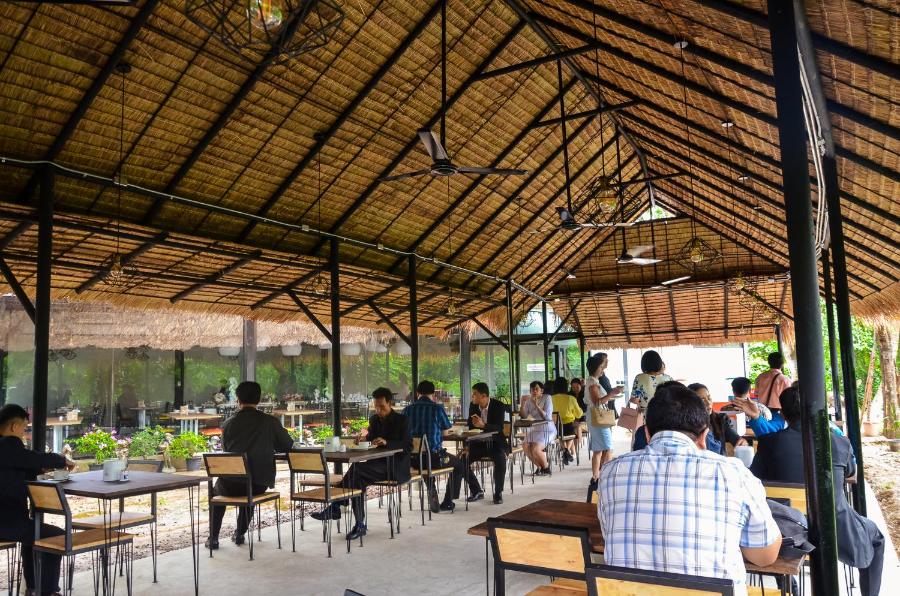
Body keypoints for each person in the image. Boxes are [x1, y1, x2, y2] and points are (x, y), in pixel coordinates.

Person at [599, 384, 781, 596]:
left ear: (647, 434)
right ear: (704, 437)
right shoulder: (734, 474)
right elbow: (765, 556)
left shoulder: (610, 472)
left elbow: (607, 532)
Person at [750, 387, 883, 596]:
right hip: (836, 529)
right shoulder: (838, 442)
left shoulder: (768, 444)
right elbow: (851, 471)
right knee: (876, 538)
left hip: (786, 534)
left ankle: (786, 584)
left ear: (783, 414)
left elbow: (755, 482)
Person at [312, 388, 410, 539]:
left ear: (390, 403)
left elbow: (408, 446)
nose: (378, 410)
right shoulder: (374, 419)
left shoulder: (402, 420)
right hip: (375, 465)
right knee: (357, 480)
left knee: (357, 470)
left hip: (395, 466)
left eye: (382, 407)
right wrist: (363, 439)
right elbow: (371, 437)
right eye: (376, 407)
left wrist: (387, 442)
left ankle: (337, 506)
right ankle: (359, 524)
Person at [208, 381, 294, 550]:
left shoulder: (228, 424)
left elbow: (227, 451)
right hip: (258, 483)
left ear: (238, 400)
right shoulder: (270, 422)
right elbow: (287, 445)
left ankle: (214, 538)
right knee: (250, 489)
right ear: (259, 399)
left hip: (230, 484)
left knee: (217, 491)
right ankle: (240, 533)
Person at [0, 404, 75, 596]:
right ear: (14, 426)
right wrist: (61, 460)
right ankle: (46, 591)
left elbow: (16, 467)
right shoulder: (9, 444)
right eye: (24, 428)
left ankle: (34, 589)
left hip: (8, 521)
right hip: (7, 524)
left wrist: (38, 468)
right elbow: (31, 457)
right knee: (55, 536)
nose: (24, 433)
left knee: (33, 533)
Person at [401, 380, 462, 512]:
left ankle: (431, 488)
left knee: (423, 461)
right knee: (458, 464)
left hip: (411, 460)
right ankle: (448, 501)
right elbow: (445, 432)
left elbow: (401, 433)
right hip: (435, 459)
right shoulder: (437, 409)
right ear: (433, 393)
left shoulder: (407, 410)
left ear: (417, 393)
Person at [453, 383, 508, 505]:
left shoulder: (498, 406)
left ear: (483, 396)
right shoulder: (473, 405)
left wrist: (484, 425)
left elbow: (499, 427)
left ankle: (498, 492)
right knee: (462, 461)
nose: (472, 396)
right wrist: (466, 446)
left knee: (500, 460)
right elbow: (470, 425)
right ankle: (476, 490)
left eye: (474, 394)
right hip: (477, 443)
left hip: (495, 443)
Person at [585, 353, 623, 500]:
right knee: (608, 448)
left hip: (594, 416)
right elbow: (597, 402)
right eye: (601, 367)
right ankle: (605, 475)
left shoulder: (593, 380)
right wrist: (612, 393)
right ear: (596, 368)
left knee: (598, 449)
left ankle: (596, 477)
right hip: (598, 416)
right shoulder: (593, 382)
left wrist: (611, 394)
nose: (603, 369)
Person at [688, 383, 747, 455]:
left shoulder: (720, 419)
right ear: (691, 404)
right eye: (702, 400)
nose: (708, 403)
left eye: (709, 398)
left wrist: (741, 441)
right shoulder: (687, 427)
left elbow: (734, 437)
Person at [518, 381, 556, 476]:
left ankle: (546, 468)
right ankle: (539, 467)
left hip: (548, 428)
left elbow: (547, 417)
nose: (534, 391)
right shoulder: (529, 401)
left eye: (536, 389)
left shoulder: (547, 398)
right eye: (532, 390)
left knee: (535, 448)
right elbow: (524, 416)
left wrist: (536, 405)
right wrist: (522, 404)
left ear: (541, 390)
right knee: (525, 445)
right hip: (535, 428)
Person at [551, 377, 583, 465]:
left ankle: (565, 450)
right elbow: (579, 414)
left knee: (561, 436)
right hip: (569, 426)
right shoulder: (571, 398)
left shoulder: (551, 399)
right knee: (572, 433)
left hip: (555, 427)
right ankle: (567, 450)